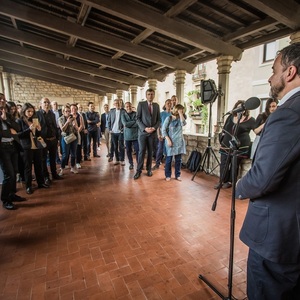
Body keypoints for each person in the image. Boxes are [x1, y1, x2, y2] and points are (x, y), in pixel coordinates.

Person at [236, 42, 300, 300]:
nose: (270, 76)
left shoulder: (289, 113)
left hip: (278, 236)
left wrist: (240, 187)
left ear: (290, 72)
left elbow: (264, 178)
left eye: (274, 70)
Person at [215, 100, 255, 189]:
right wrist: (222, 140)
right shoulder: (230, 117)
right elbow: (225, 129)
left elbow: (256, 130)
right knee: (224, 163)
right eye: (238, 107)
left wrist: (265, 124)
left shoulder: (250, 119)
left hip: (240, 146)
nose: (240, 109)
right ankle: (222, 180)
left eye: (242, 107)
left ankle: (230, 181)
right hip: (226, 144)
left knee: (234, 165)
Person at [0, 93, 25, 210]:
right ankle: (5, 199)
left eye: (3, 99)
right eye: (0, 99)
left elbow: (18, 128)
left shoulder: (7, 114)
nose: (3, 101)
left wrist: (6, 120)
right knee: (8, 174)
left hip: (13, 146)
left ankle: (11, 194)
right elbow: (5, 133)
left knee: (14, 171)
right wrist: (10, 132)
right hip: (3, 148)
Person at [17, 103, 49, 194]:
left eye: (32, 111)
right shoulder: (20, 121)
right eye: (28, 111)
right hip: (27, 146)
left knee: (39, 165)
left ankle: (41, 182)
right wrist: (29, 129)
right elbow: (19, 135)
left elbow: (38, 135)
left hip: (36, 145)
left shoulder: (35, 120)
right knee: (28, 167)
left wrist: (39, 130)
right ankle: (28, 186)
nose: (30, 113)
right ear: (24, 111)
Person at [134, 88, 160, 179]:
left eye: (152, 94)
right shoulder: (141, 104)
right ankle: (138, 171)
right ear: (146, 95)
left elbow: (159, 120)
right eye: (148, 94)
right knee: (141, 152)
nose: (150, 96)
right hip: (142, 133)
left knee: (150, 152)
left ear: (154, 95)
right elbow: (137, 118)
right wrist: (145, 128)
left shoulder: (156, 106)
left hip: (152, 133)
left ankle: (149, 169)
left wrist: (154, 128)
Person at [161, 104, 186, 181]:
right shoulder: (169, 118)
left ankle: (177, 175)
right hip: (170, 141)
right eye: (180, 109)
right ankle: (168, 175)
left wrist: (181, 114)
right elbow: (163, 130)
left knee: (178, 160)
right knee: (169, 159)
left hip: (179, 142)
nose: (181, 111)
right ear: (176, 109)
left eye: (182, 110)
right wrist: (168, 139)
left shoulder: (181, 119)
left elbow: (184, 124)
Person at [58, 105, 79, 175]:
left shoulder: (73, 118)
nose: (68, 112)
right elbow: (62, 129)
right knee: (65, 154)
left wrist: (75, 125)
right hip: (65, 138)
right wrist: (67, 122)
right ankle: (62, 168)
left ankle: (73, 167)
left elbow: (77, 128)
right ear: (63, 112)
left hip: (73, 137)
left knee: (73, 154)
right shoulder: (60, 119)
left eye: (69, 111)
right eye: (66, 111)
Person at [152, 99, 172, 170]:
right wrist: (158, 135)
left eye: (170, 103)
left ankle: (167, 165)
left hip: (170, 136)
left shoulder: (173, 114)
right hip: (162, 135)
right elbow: (158, 125)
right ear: (165, 104)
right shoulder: (161, 114)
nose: (169, 104)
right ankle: (157, 164)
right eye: (168, 103)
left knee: (168, 151)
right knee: (160, 149)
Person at [121, 101, 139, 170]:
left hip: (136, 135)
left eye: (129, 106)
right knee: (128, 150)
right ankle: (131, 163)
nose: (128, 107)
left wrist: (129, 124)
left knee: (138, 150)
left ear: (132, 106)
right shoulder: (123, 115)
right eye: (127, 106)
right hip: (127, 136)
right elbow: (125, 124)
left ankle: (138, 163)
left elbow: (138, 123)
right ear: (125, 108)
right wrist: (133, 122)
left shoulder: (136, 114)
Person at [107, 99, 125, 165]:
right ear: (114, 104)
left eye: (118, 103)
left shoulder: (123, 111)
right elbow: (109, 121)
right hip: (113, 132)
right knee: (115, 146)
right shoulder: (111, 111)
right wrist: (110, 129)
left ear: (120, 104)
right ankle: (117, 159)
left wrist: (123, 129)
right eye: (115, 103)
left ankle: (122, 160)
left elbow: (125, 121)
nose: (117, 104)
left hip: (120, 132)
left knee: (121, 146)